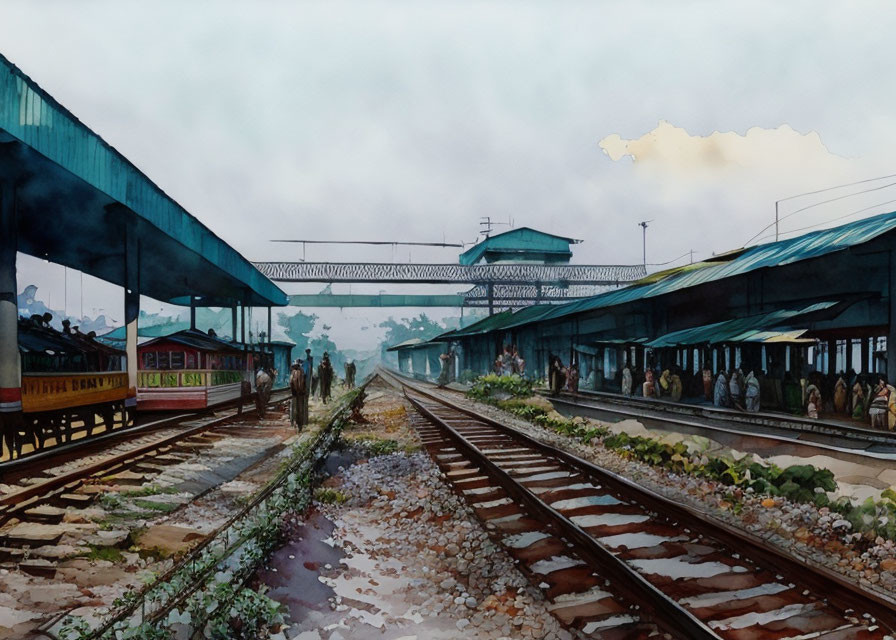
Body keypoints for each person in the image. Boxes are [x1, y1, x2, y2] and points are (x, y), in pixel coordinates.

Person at [289, 360, 308, 429]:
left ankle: (298, 423)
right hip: (298, 393)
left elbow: (291, 383)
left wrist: (294, 391)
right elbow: (303, 383)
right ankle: (298, 423)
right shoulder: (301, 372)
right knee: (299, 409)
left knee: (297, 409)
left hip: (297, 393)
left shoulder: (295, 372)